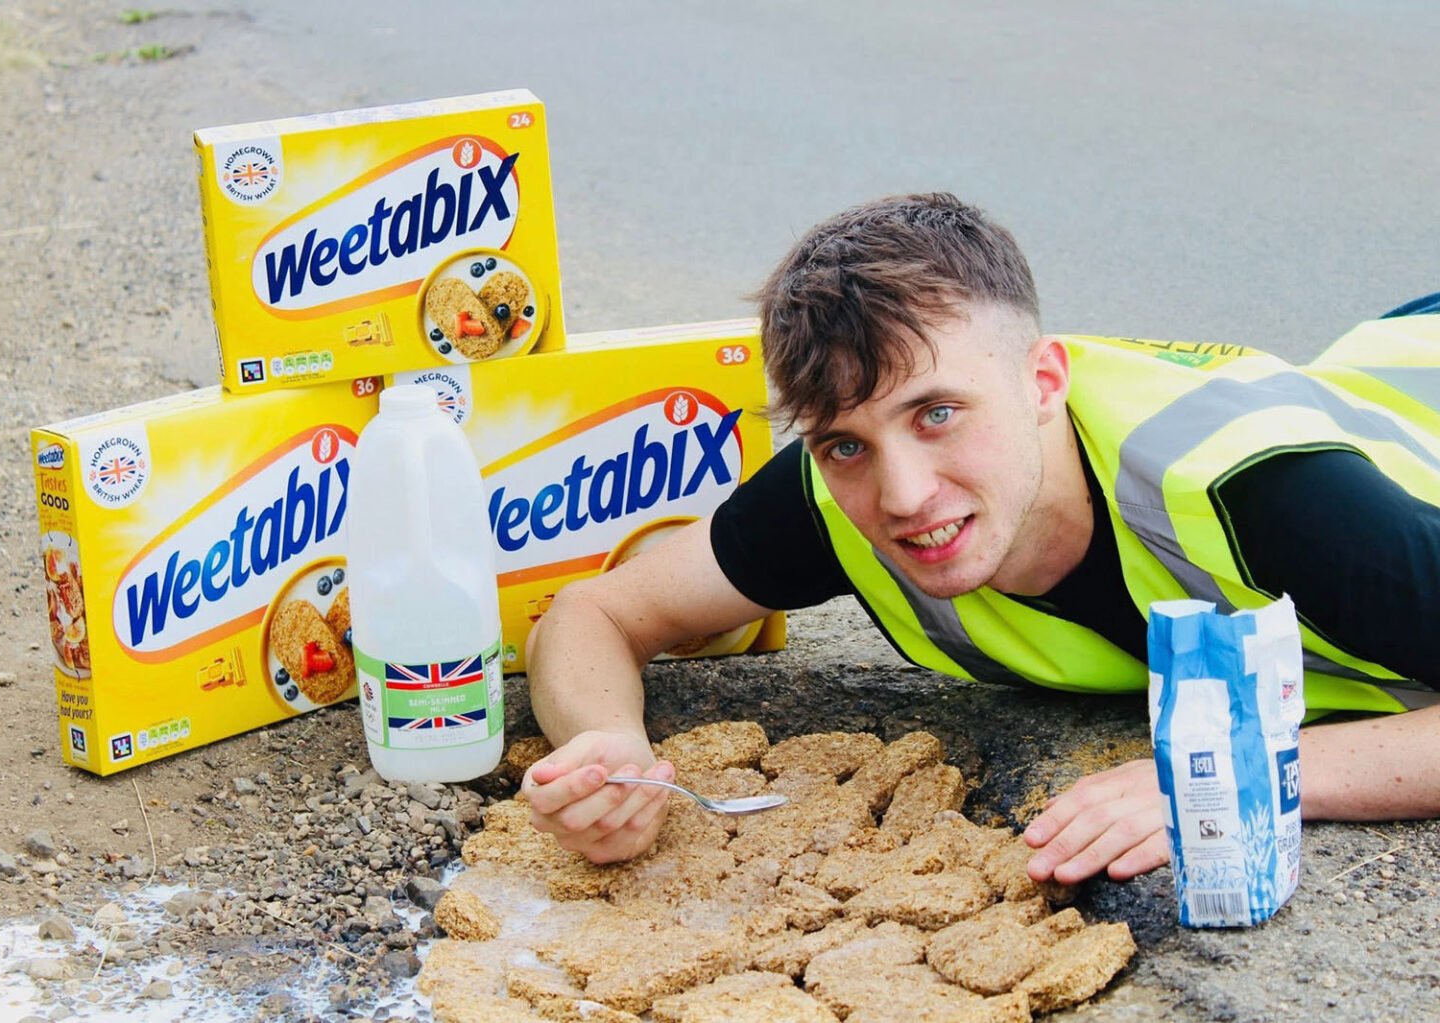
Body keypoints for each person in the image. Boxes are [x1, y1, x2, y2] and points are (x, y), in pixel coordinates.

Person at [519, 192, 1440, 884]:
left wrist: (1238, 769)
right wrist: (611, 749)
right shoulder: (834, 493)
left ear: (1044, 383)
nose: (904, 495)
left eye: (940, 413)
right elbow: (596, 612)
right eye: (846, 443)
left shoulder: (1272, 495)